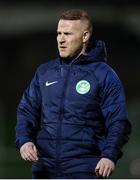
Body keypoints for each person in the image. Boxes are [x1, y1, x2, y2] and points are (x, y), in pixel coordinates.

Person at [15, 9, 131, 179]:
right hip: (44, 168)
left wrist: (109, 156)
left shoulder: (104, 75)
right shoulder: (45, 72)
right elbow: (27, 110)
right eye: (59, 33)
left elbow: (118, 121)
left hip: (84, 168)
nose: (61, 39)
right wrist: (25, 141)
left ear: (85, 37)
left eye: (68, 34)